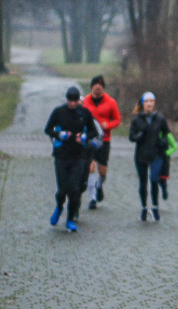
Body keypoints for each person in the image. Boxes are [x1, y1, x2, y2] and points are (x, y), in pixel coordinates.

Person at [43, 86, 95, 233]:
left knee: (74, 189)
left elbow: (93, 131)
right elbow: (48, 129)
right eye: (69, 100)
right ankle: (59, 207)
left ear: (78, 100)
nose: (72, 103)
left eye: (74, 101)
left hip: (78, 156)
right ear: (66, 99)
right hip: (61, 156)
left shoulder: (84, 113)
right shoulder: (59, 112)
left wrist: (85, 137)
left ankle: (70, 219)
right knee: (62, 190)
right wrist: (59, 135)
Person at [129, 91, 171, 222]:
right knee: (143, 182)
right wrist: (139, 136)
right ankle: (143, 207)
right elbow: (131, 136)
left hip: (156, 154)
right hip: (141, 155)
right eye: (146, 102)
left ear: (154, 103)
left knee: (154, 180)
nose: (149, 104)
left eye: (151, 102)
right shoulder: (137, 119)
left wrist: (163, 141)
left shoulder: (160, 119)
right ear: (143, 104)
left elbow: (167, 133)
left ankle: (155, 206)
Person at [83, 75, 122, 209]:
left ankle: (99, 186)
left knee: (102, 170)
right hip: (90, 139)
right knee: (90, 167)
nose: (97, 87)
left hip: (104, 139)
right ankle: (92, 198)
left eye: (100, 85)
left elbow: (117, 120)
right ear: (92, 86)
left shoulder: (111, 102)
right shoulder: (86, 101)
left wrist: (108, 125)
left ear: (103, 88)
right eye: (95, 85)